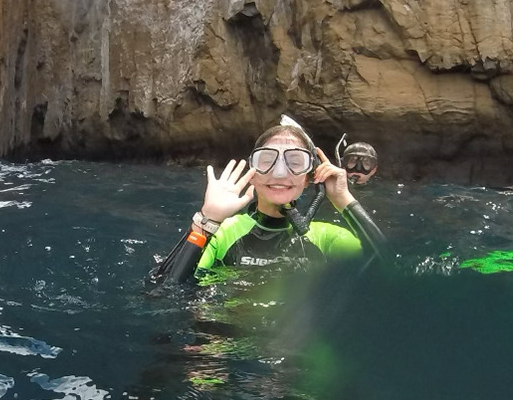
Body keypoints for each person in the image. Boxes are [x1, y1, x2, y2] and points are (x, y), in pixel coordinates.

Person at [150, 117, 388, 286]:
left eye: (295, 162)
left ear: (309, 178)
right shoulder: (223, 233)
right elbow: (165, 290)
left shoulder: (326, 239)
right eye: (267, 160)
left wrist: (343, 199)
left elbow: (390, 271)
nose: (280, 173)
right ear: (252, 174)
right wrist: (206, 221)